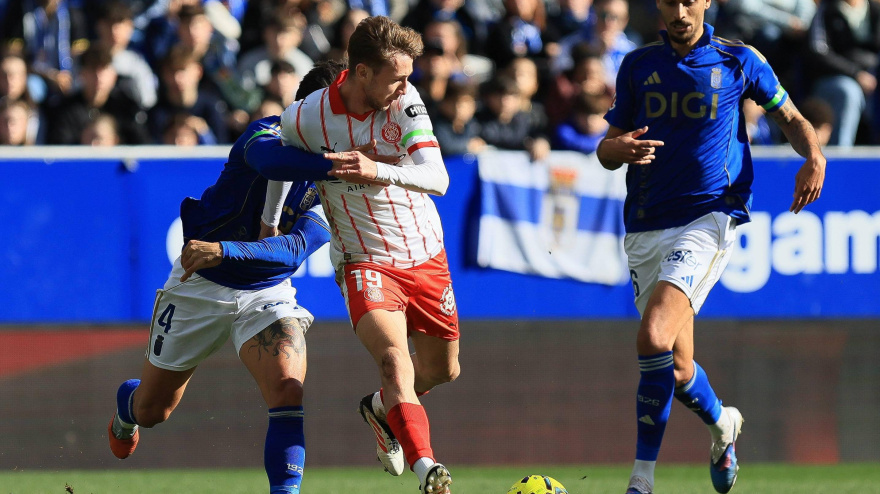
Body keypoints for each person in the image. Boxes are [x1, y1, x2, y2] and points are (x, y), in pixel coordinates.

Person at [595, 1, 826, 493]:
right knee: (676, 369)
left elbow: (789, 117)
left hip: (709, 215)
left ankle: (641, 481)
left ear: (705, 2)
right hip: (644, 223)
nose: (679, 11)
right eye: (669, 2)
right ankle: (723, 424)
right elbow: (607, 148)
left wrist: (814, 156)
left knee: (652, 337)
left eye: (689, 0)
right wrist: (618, 150)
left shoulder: (739, 59)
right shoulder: (638, 64)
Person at [106, 60, 366, 494]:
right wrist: (333, 166)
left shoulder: (338, 178)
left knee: (288, 388)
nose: (355, 123)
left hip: (265, 287)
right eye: (346, 112)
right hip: (200, 286)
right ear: (312, 110)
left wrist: (224, 249)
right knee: (153, 410)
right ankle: (125, 409)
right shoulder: (264, 134)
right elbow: (269, 162)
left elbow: (296, 248)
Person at [265, 16, 459, 494]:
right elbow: (278, 158)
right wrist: (271, 220)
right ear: (362, 72)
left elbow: (440, 179)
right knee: (396, 362)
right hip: (364, 259)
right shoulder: (306, 117)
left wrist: (378, 169)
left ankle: (379, 408)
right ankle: (426, 469)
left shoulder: (405, 104)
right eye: (397, 77)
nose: (406, 86)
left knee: (441, 371)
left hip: (425, 253)